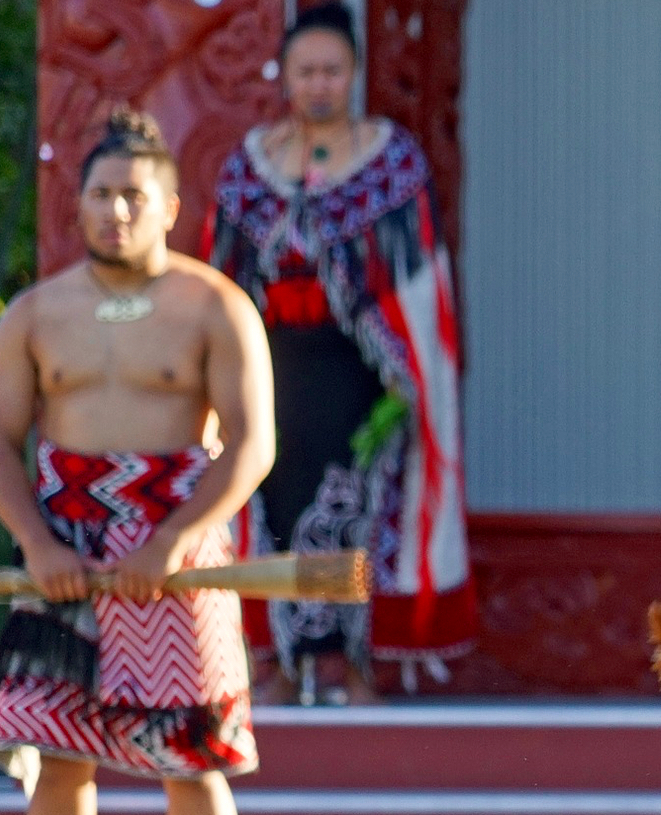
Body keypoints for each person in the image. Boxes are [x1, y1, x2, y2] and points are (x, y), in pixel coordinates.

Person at [0, 109, 274, 815]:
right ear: (77, 205)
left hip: (179, 543)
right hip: (62, 546)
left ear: (168, 207)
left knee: (191, 760)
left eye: (133, 195)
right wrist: (38, 542)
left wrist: (173, 539)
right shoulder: (34, 314)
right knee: (58, 762)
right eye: (101, 194)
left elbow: (253, 443)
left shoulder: (217, 307)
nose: (116, 210)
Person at [204, 1, 474, 705]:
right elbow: (220, 283)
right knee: (269, 505)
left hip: (361, 374)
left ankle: (348, 660)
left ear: (353, 74)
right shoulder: (249, 169)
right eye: (306, 71)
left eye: (332, 70)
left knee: (354, 511)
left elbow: (421, 288)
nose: (319, 84)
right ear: (285, 77)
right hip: (272, 371)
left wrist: (405, 381)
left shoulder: (393, 163)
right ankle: (273, 658)